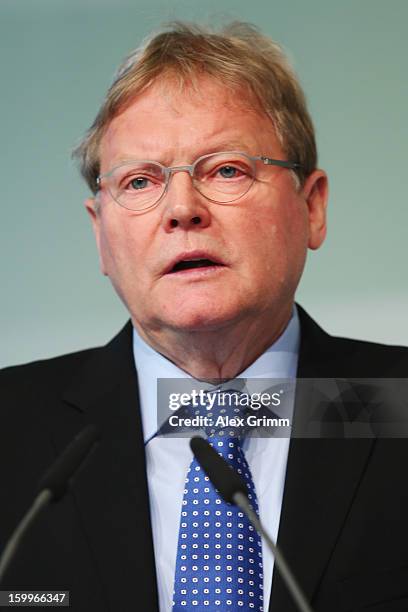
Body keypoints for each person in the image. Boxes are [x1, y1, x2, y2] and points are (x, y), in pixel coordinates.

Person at [1, 21, 408, 612]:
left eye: (226, 170)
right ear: (100, 235)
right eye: (140, 181)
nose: (182, 210)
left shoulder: (398, 402)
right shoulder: (11, 431)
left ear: (312, 207)